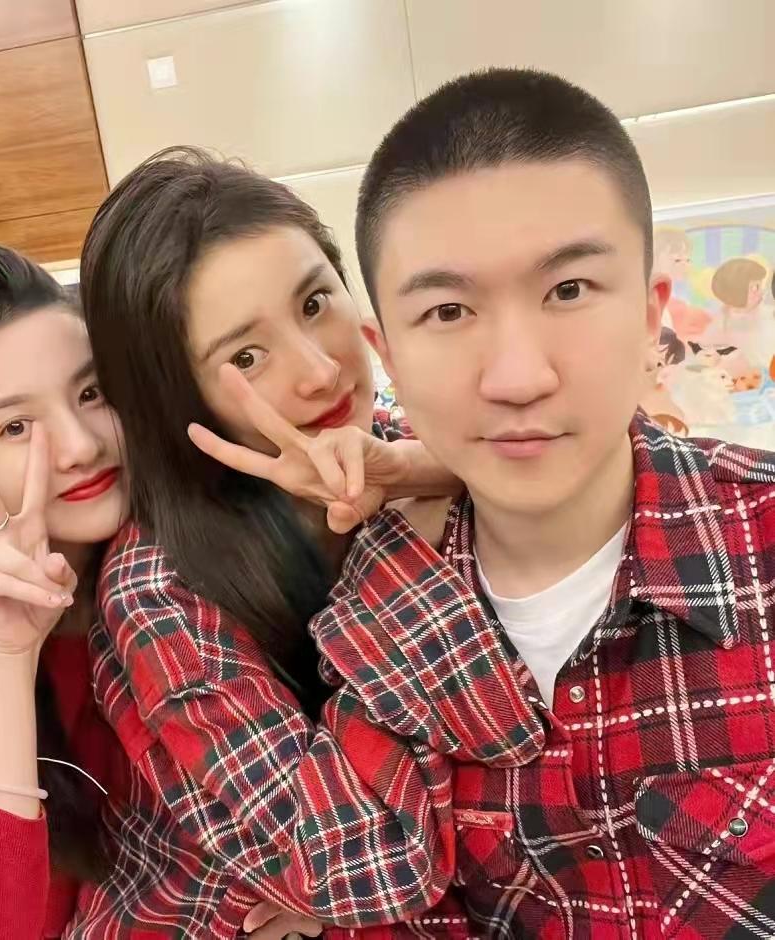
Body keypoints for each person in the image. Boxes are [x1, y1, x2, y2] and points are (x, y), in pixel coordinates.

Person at [310, 66, 775, 936]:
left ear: (650, 313)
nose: (518, 376)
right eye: (448, 311)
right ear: (388, 355)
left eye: (568, 291)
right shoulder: (372, 635)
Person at [66, 148, 534, 938]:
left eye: (315, 302)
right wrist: (396, 533)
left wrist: (424, 469)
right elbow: (376, 862)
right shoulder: (157, 589)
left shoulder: (398, 440)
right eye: (246, 356)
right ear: (179, 396)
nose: (319, 371)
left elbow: (618, 464)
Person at [0, 245, 129, 939]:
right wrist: (8, 657)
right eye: (15, 427)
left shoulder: (177, 568)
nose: (79, 446)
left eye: (90, 393)